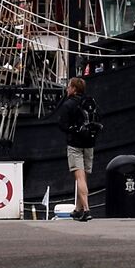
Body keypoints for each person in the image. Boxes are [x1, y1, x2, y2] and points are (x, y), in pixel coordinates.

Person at [59, 76, 98, 221]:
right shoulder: (89, 102)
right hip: (89, 144)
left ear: (74, 89)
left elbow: (62, 125)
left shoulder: (68, 104)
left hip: (75, 145)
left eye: (69, 86)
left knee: (79, 178)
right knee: (84, 178)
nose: (67, 88)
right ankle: (78, 208)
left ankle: (86, 210)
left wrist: (72, 130)